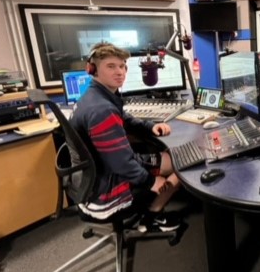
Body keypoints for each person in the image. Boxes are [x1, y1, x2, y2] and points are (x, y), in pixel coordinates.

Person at [70, 42, 181, 232]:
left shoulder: (95, 96)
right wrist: (151, 182)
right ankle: (152, 216)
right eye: (111, 66)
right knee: (182, 165)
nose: (119, 72)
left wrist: (150, 127)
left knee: (171, 158)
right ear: (92, 69)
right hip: (106, 194)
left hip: (94, 181)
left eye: (122, 66)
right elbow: (121, 163)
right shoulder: (101, 109)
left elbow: (125, 118)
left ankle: (151, 210)